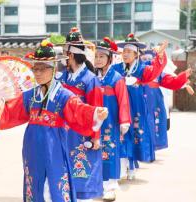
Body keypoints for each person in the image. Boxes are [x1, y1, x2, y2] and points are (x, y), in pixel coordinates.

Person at [0, 40, 108, 202]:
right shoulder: (30, 95)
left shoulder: (64, 95)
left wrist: (95, 112)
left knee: (54, 184)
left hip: (54, 148)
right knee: (34, 182)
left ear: (53, 69)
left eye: (42, 69)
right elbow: (10, 112)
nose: (37, 73)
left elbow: (79, 110)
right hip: (31, 148)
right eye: (35, 68)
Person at [111, 33, 168, 179]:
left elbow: (155, 71)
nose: (125, 54)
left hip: (136, 107)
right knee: (121, 135)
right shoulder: (116, 68)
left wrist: (159, 56)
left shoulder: (142, 68)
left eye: (129, 52)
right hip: (120, 105)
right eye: (124, 51)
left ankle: (132, 165)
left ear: (136, 54)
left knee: (135, 134)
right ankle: (125, 166)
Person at [58, 27, 104, 202]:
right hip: (63, 130)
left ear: (70, 55)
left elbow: (97, 108)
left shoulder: (90, 79)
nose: (63, 56)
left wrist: (96, 136)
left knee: (83, 167)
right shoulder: (61, 78)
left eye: (64, 52)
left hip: (81, 131)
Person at [94, 37, 131, 201]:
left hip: (111, 122)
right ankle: (98, 185)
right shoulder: (92, 77)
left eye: (102, 56)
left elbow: (123, 100)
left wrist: (124, 121)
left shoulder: (116, 78)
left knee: (110, 150)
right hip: (95, 121)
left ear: (109, 58)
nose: (98, 59)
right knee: (96, 150)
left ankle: (111, 186)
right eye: (96, 56)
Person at [141, 49, 193, 150]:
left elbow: (171, 80)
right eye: (145, 58)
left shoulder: (159, 72)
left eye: (150, 59)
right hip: (139, 98)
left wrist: (184, 79)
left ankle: (150, 145)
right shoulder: (137, 69)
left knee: (153, 121)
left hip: (154, 99)